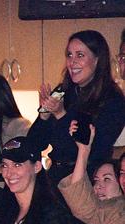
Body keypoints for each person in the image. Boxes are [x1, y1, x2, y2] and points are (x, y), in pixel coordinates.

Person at [28, 30, 125, 184]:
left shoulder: (113, 99)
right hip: (55, 177)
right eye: (69, 55)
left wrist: (61, 115)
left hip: (86, 182)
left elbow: (90, 152)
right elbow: (34, 144)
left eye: (80, 55)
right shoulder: (63, 91)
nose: (72, 62)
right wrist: (44, 115)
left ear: (97, 60)